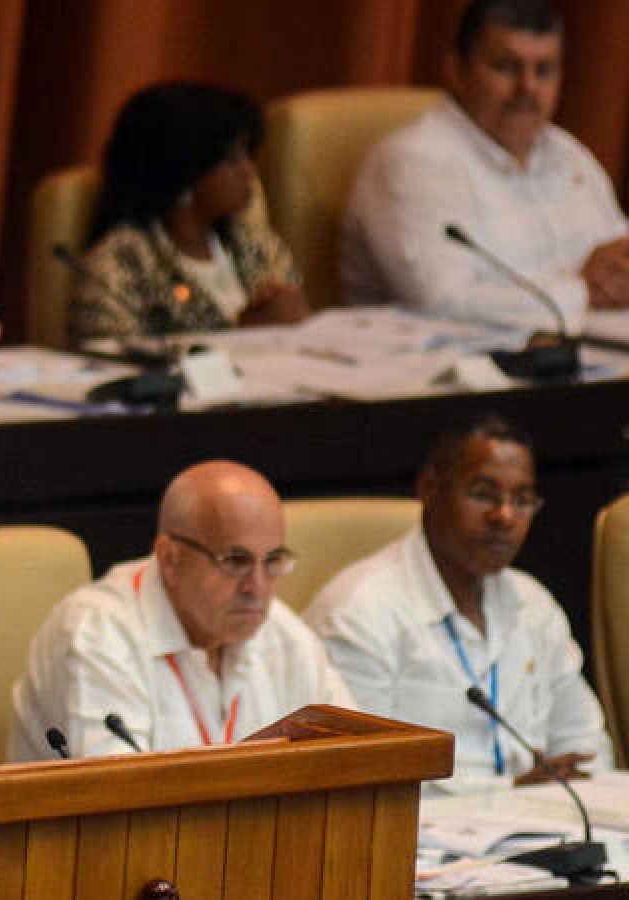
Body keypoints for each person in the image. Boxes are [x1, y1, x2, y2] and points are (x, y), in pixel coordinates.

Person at [304, 414, 612, 792]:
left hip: (544, 829)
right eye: (484, 494)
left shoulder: (533, 605)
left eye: (522, 500)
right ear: (430, 489)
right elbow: (359, 777)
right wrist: (508, 793)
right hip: (422, 841)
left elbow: (586, 743)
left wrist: (574, 784)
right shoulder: (359, 613)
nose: (504, 516)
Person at [9, 461, 350, 761]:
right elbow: (119, 806)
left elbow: (359, 753)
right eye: (235, 561)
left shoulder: (282, 632)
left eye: (273, 561)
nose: (257, 588)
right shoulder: (96, 633)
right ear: (170, 558)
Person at [342, 0, 629, 332]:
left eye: (544, 70)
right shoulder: (411, 162)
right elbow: (442, 301)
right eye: (506, 67)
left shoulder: (568, 153)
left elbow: (618, 259)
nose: (528, 88)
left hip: (583, 364)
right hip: (450, 370)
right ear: (457, 70)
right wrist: (582, 290)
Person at [70, 83, 309, 344]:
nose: (249, 172)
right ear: (186, 171)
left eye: (248, 155)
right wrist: (240, 337)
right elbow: (108, 362)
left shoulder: (257, 246)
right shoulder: (121, 264)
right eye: (231, 160)